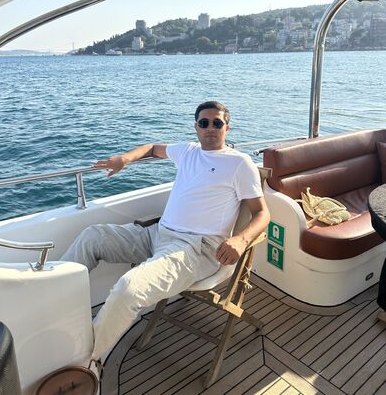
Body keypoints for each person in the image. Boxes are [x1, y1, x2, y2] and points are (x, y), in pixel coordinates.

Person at [62, 101, 270, 360]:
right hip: (158, 234)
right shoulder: (188, 151)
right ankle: (56, 302)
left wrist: (240, 240)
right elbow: (152, 148)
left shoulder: (239, 163)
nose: (210, 127)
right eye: (204, 123)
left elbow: (262, 213)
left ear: (227, 128)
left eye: (217, 123)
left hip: (196, 249)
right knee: (92, 236)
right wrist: (125, 159)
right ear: (196, 127)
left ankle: (85, 361)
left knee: (129, 288)